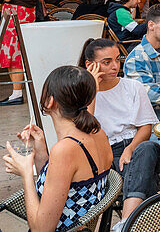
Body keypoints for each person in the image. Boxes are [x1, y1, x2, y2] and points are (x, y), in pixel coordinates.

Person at [2, 66, 114, 232]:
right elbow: (61, 186)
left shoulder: (66, 149)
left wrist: (26, 173)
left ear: (50, 101)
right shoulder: (98, 133)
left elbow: (42, 229)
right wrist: (40, 151)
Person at [79, 38, 160, 222]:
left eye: (117, 59)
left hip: (137, 147)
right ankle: (134, 223)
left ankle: (125, 222)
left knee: (147, 149)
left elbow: (146, 127)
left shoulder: (133, 87)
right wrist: (92, 88)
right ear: (89, 65)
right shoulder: (82, 94)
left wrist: (130, 148)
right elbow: (86, 129)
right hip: (104, 154)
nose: (115, 66)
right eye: (107, 62)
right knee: (145, 177)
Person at [1, 0, 38, 106]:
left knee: (13, 54)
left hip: (14, 14)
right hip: (27, 14)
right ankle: (16, 92)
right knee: (19, 53)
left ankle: (16, 94)